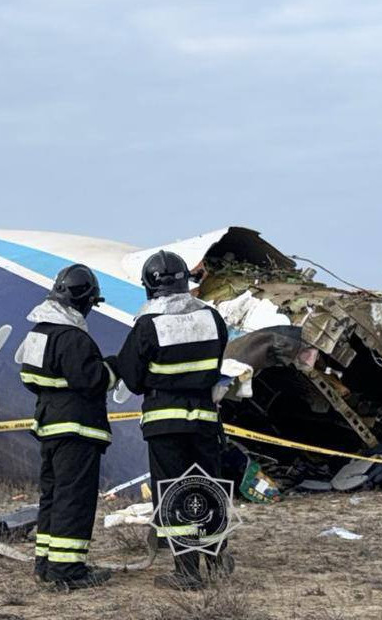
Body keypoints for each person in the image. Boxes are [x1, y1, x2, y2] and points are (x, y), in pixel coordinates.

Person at [109, 250, 233, 591]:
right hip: (205, 420)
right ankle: (219, 559)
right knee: (209, 488)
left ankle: (188, 572)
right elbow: (217, 363)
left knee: (175, 494)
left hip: (166, 424)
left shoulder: (148, 325)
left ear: (150, 286)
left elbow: (132, 378)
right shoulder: (212, 318)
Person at [21, 264, 115, 591]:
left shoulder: (38, 333)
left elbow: (29, 379)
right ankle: (67, 571)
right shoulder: (73, 337)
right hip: (76, 430)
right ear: (85, 301)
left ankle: (46, 564)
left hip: (48, 426)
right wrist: (113, 368)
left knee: (53, 496)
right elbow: (92, 381)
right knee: (74, 498)